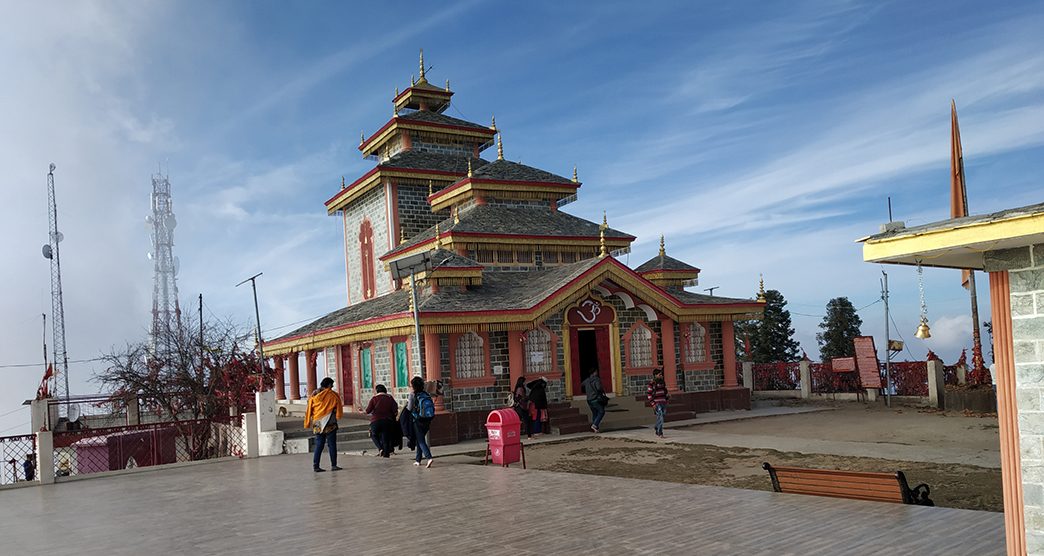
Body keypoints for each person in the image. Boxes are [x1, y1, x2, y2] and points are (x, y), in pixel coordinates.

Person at [303, 377, 344, 472]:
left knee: (319, 445)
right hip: (330, 422)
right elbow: (338, 407)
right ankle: (334, 465)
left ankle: (316, 466)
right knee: (332, 444)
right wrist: (337, 415)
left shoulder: (314, 395)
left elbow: (309, 408)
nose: (332, 387)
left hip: (317, 422)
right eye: (332, 385)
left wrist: (308, 421)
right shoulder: (333, 395)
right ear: (329, 385)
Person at [408, 376, 435, 468]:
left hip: (417, 420)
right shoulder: (426, 394)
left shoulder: (412, 395)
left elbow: (409, 408)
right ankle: (418, 460)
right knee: (420, 439)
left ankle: (429, 457)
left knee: (420, 440)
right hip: (427, 420)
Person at [364, 384, 399, 457]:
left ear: (377, 391)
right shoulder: (390, 398)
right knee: (385, 437)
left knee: (373, 434)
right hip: (387, 421)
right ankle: (386, 454)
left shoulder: (374, 398)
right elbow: (395, 410)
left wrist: (362, 411)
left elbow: (368, 411)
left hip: (376, 421)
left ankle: (380, 448)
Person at [647, 368, 670, 438]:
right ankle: (660, 433)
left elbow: (665, 391)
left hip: (663, 402)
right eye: (659, 374)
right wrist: (653, 404)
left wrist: (667, 398)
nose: (661, 376)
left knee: (661, 416)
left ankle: (657, 427)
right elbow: (649, 395)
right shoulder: (651, 384)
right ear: (655, 375)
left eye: (661, 374)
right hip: (657, 403)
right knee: (661, 417)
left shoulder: (662, 382)